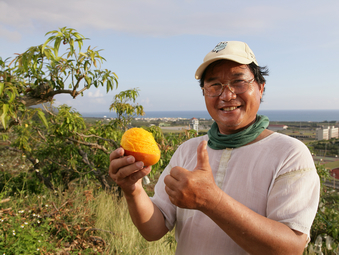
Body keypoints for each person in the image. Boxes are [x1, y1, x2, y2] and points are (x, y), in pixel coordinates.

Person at [109, 41, 320, 255]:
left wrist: (211, 201)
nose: (227, 95)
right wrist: (133, 190)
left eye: (238, 82)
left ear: (260, 87)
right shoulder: (188, 150)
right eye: (214, 85)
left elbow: (290, 248)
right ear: (204, 93)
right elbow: (154, 229)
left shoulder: (290, 154)